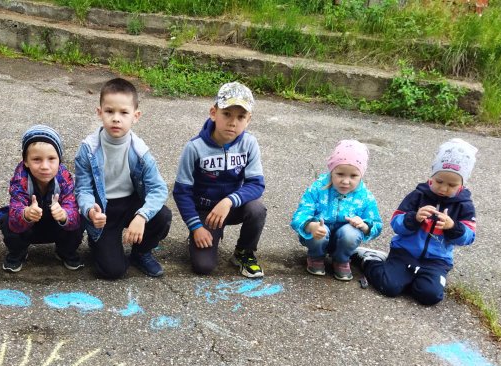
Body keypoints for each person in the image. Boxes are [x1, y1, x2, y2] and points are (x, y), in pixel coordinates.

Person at [355, 138, 478, 305]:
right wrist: (414, 218)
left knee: (430, 296)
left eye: (451, 185)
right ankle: (371, 260)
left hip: (437, 261)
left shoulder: (464, 205)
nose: (443, 188)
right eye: (439, 181)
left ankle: (411, 277)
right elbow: (396, 223)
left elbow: (469, 237)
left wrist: (453, 227)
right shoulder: (418, 195)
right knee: (389, 287)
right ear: (432, 176)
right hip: (404, 253)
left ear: (462, 184)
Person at [74, 77, 172, 279]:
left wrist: (142, 216)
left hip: (130, 204)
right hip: (103, 209)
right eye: (109, 111)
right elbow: (82, 189)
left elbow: (159, 189)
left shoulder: (140, 151)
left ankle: (141, 252)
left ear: (135, 116)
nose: (116, 118)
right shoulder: (88, 149)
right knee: (113, 271)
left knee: (162, 215)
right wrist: (90, 210)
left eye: (124, 113)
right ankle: (98, 241)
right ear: (99, 113)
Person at [172, 81, 267, 278]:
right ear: (213, 113)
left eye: (241, 117)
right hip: (205, 212)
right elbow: (182, 191)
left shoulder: (249, 143)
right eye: (227, 114)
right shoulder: (195, 148)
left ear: (248, 120)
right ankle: (204, 234)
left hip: (230, 207)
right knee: (203, 266)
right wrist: (196, 227)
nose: (233, 122)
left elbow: (256, 184)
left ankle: (244, 252)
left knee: (257, 209)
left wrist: (229, 201)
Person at [290, 139, 382, 281]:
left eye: (353, 176)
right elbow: (299, 215)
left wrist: (364, 225)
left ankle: (341, 259)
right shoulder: (318, 188)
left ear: (361, 175)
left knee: (351, 232)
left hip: (344, 240)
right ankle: (315, 257)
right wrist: (311, 226)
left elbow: (377, 224)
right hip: (319, 236)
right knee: (321, 230)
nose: (345, 181)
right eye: (340, 174)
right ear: (331, 171)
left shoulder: (365, 196)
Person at [0, 125, 83, 272]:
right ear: (26, 161)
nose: (45, 166)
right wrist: (26, 214)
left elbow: (73, 213)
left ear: (59, 160)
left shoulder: (65, 179)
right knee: (8, 220)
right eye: (37, 159)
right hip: (30, 228)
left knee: (79, 219)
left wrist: (64, 215)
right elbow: (15, 216)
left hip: (55, 225)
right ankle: (18, 252)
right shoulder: (20, 181)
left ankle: (65, 251)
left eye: (51, 159)